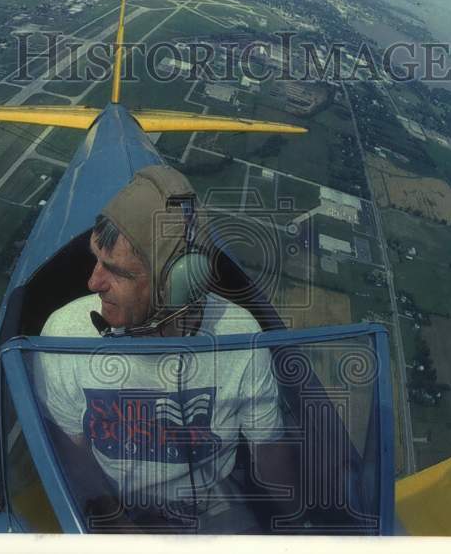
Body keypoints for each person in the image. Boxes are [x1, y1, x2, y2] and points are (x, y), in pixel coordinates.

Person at [34, 165, 295, 533]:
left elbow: (269, 453)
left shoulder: (241, 339)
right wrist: (120, 528)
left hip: (212, 510)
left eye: (117, 272)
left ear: (178, 285)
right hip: (114, 510)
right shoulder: (64, 335)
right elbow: (73, 457)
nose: (93, 282)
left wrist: (299, 523)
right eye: (96, 260)